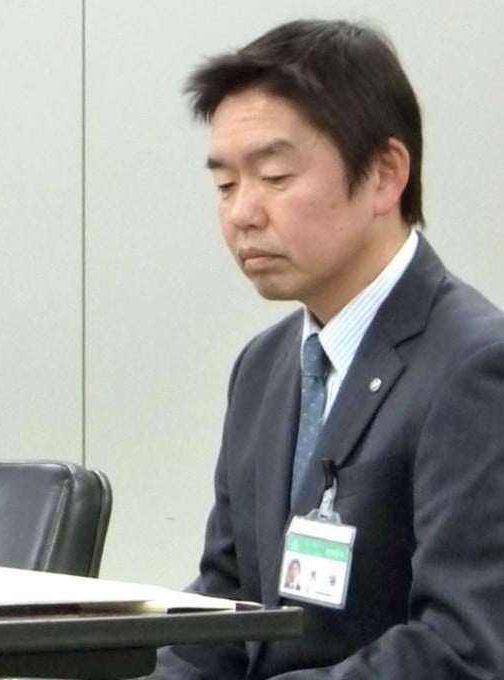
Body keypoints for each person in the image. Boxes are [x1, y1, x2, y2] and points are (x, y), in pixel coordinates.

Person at [150, 19, 504, 678]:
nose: (242, 214)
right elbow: (229, 605)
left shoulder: (477, 367)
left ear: (384, 175)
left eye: (275, 176)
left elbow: (466, 649)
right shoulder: (264, 366)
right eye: (226, 185)